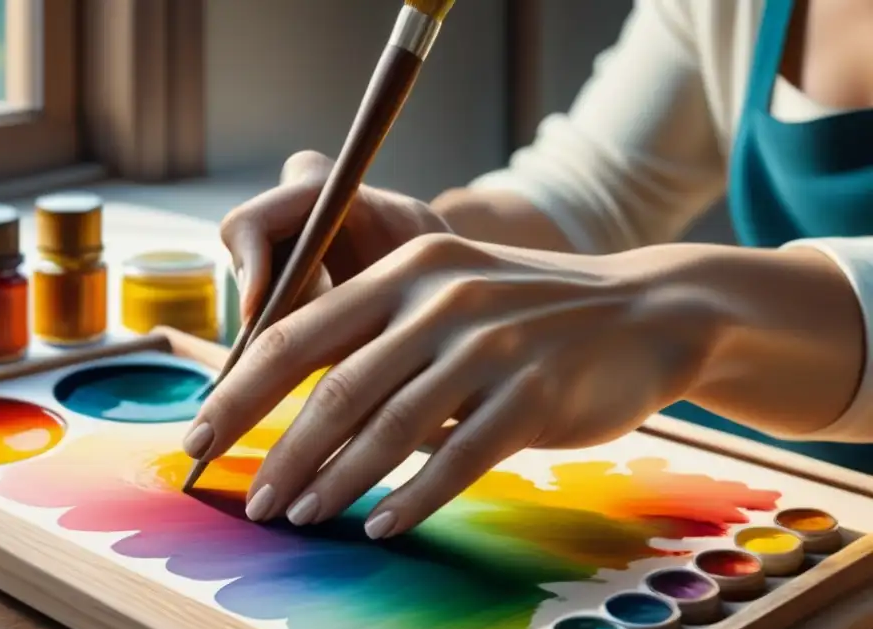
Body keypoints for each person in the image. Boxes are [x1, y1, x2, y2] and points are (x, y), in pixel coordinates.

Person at [182, 0, 873, 541]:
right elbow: (596, 188)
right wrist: (420, 254)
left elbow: (647, 293)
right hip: (779, 504)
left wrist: (687, 313)